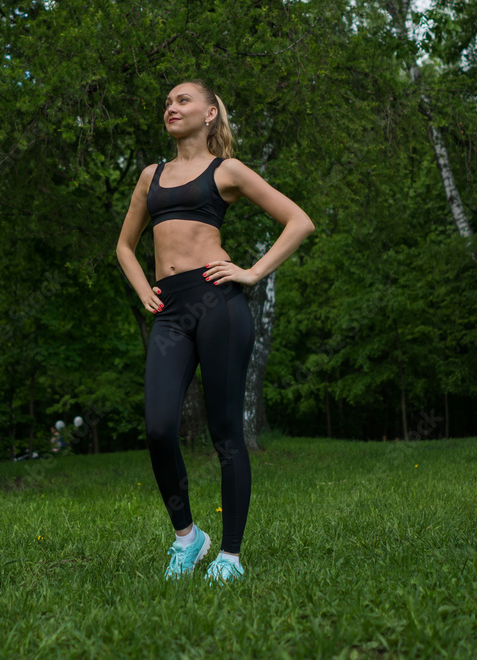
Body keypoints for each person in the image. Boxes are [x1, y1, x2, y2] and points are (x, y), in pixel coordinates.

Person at [115, 79, 315, 584]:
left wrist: (251, 273)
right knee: (159, 426)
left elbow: (298, 221)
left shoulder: (226, 170)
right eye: (167, 102)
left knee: (226, 434)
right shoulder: (150, 176)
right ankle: (188, 538)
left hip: (218, 303)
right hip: (171, 310)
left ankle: (230, 556)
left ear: (209, 114)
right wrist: (143, 289)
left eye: (183, 100)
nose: (171, 107)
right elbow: (124, 245)